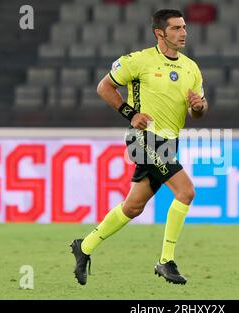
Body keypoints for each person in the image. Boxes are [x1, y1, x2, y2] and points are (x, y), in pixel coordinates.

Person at [70, 9, 208, 286]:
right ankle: (166, 260)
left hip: (170, 141)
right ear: (160, 33)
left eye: (184, 28)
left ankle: (84, 247)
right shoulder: (138, 61)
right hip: (144, 139)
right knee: (186, 191)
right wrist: (130, 113)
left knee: (133, 207)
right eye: (176, 28)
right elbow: (104, 87)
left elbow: (199, 113)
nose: (183, 33)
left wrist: (199, 107)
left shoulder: (191, 67)